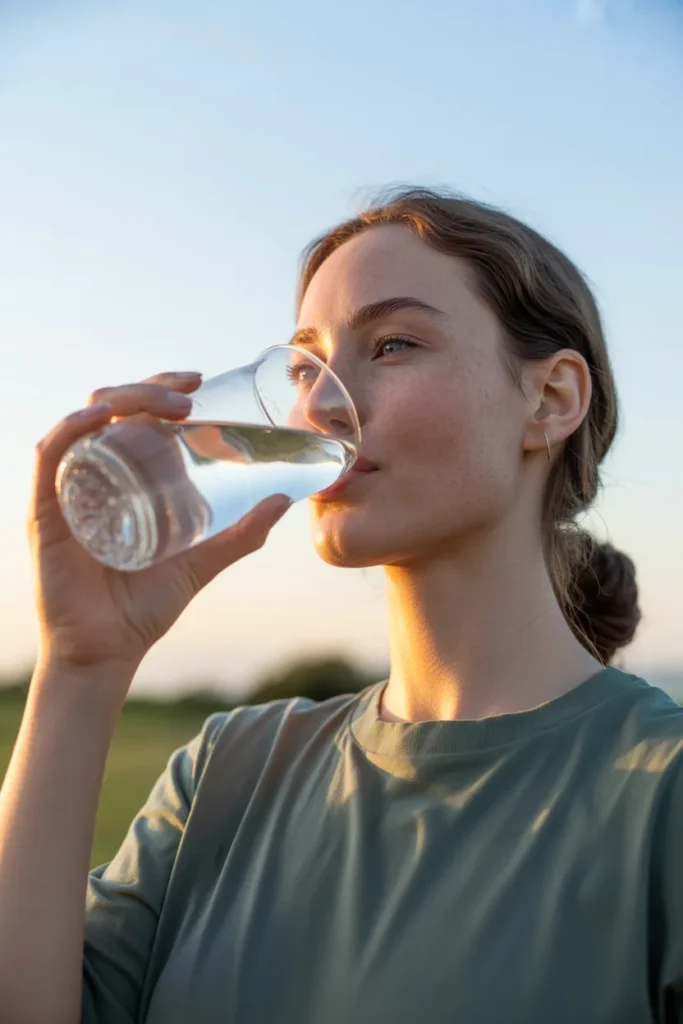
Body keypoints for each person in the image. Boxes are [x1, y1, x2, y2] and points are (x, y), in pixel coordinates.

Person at [0, 186, 678, 1024]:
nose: (317, 410)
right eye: (301, 367)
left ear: (549, 401)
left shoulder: (662, 797)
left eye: (391, 345)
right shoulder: (228, 771)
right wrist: (79, 666)